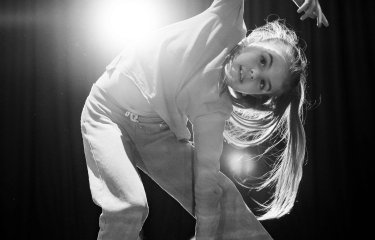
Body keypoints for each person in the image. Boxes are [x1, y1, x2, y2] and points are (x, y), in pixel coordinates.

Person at [80, 0, 328, 239]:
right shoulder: (224, 22)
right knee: (129, 206)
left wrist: (205, 236)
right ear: (254, 43)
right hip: (106, 114)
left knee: (223, 198)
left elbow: (205, 183)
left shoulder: (215, 108)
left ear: (255, 96)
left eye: (262, 84)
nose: (253, 73)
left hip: (154, 134)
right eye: (263, 60)